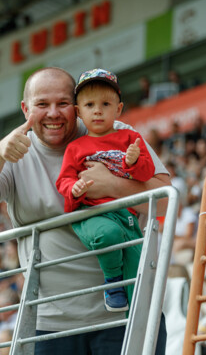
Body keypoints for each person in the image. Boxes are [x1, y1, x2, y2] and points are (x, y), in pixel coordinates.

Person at [0, 67, 170, 354]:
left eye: (62, 103)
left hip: (125, 314)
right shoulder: (15, 151)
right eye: (42, 105)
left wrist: (111, 185)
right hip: (48, 323)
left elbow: (167, 199)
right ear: (26, 109)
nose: (53, 113)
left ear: (76, 107)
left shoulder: (119, 133)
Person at [56, 68, 155, 312]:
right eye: (90, 105)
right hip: (92, 213)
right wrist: (75, 188)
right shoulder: (76, 147)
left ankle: (136, 328)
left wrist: (134, 162)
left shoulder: (130, 137)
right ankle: (112, 281)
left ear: (118, 109)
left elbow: (146, 174)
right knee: (107, 234)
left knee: (137, 274)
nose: (97, 110)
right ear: (79, 112)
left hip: (128, 216)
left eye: (105, 104)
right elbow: (64, 180)